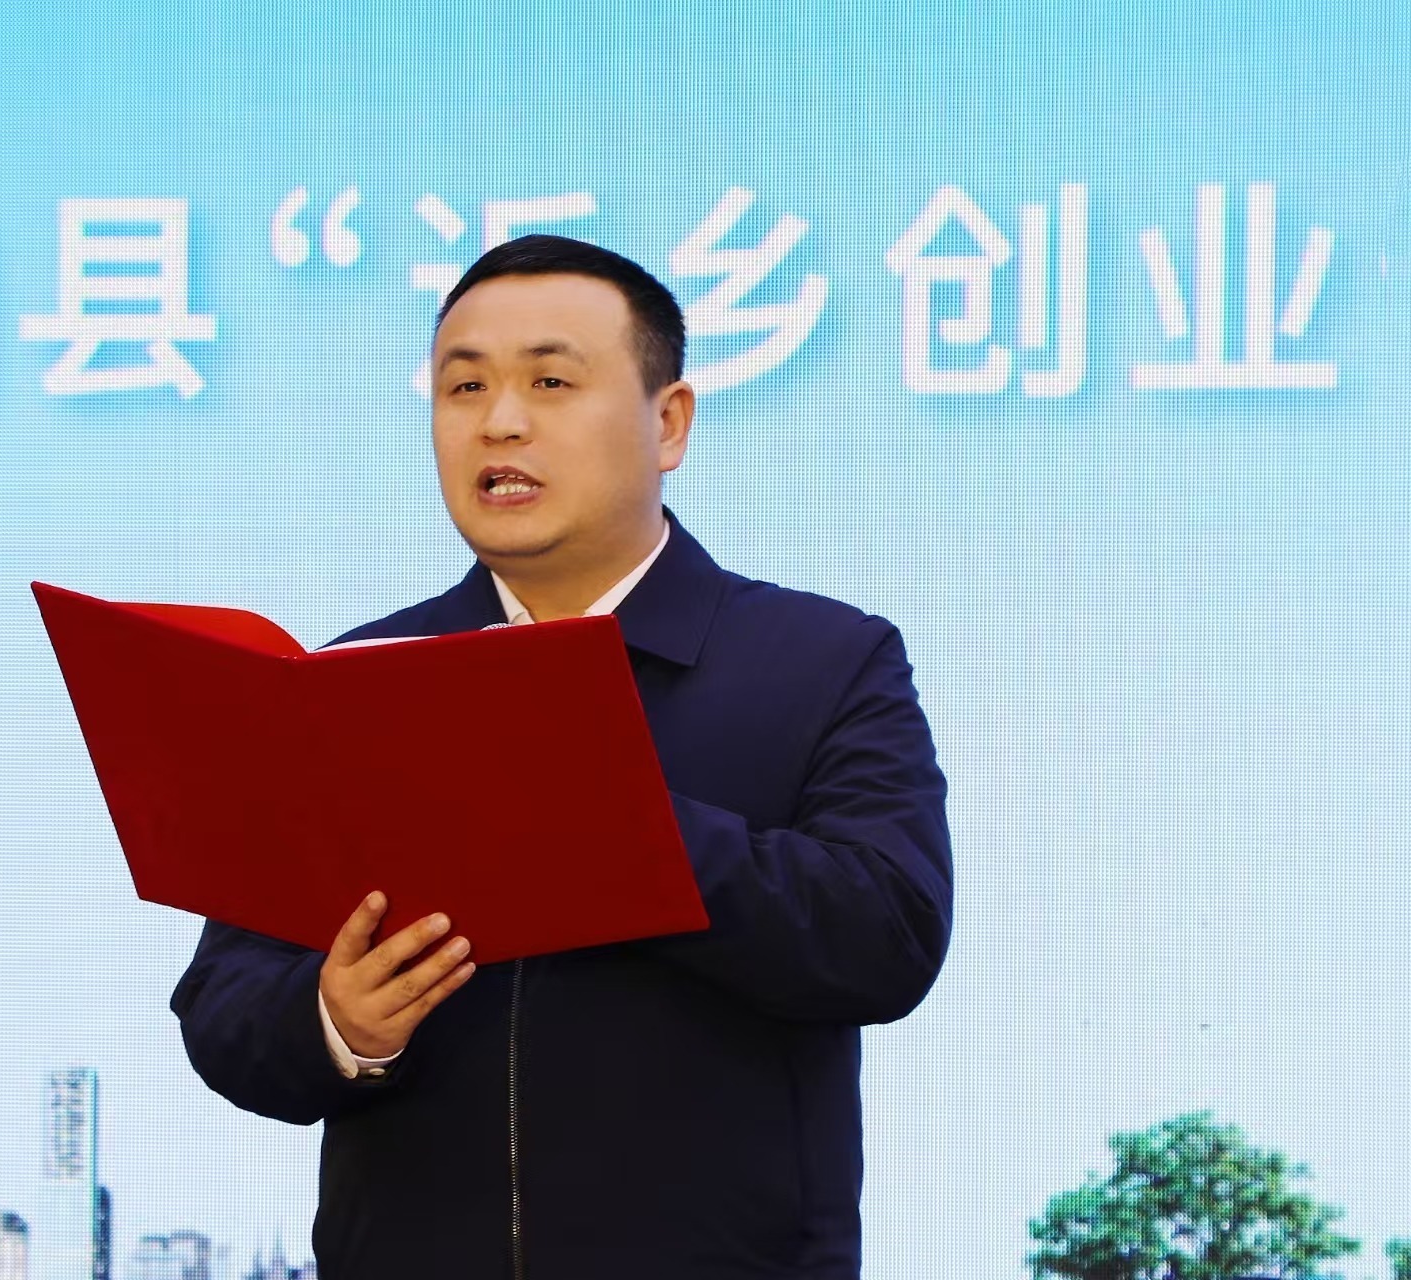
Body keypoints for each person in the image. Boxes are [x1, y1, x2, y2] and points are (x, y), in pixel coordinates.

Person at [170, 234, 952, 1279]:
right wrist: (337, 1019)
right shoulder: (354, 679)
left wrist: (614, 816)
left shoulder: (825, 659)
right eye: (463, 386)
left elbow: (887, 934)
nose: (499, 421)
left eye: (549, 381)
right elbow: (223, 1006)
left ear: (668, 423)